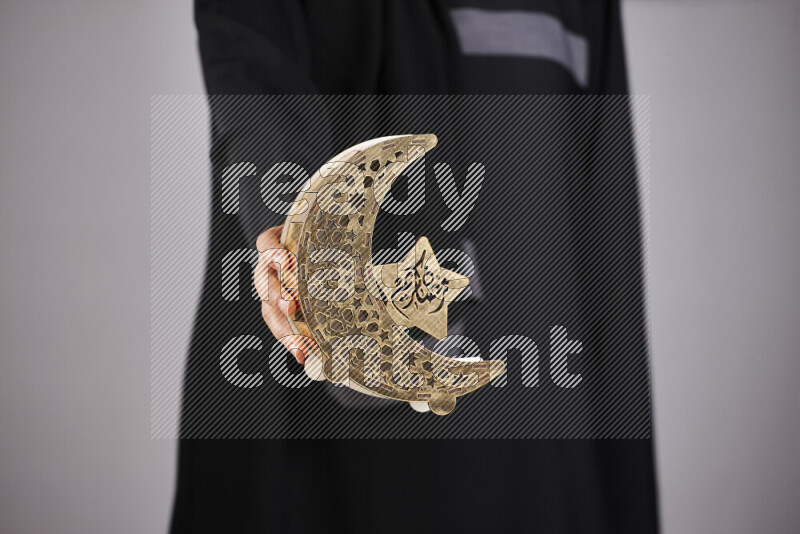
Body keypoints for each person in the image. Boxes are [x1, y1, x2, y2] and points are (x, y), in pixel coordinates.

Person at [171, 1, 658, 532]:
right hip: (300, 437)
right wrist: (307, 242)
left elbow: (605, 246)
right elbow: (255, 84)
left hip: (528, 450)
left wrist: (621, 499)